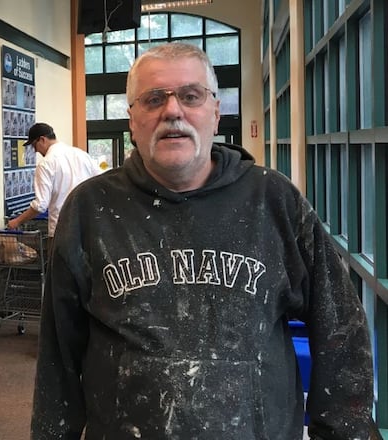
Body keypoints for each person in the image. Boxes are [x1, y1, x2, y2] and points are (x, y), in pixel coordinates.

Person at [30, 42, 381, 440]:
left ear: (215, 113)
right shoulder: (90, 210)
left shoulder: (274, 202)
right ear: (132, 120)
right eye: (153, 99)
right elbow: (58, 355)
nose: (173, 111)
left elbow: (341, 332)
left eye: (191, 96)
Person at [6, 122, 101, 254]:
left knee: (60, 272)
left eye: (34, 146)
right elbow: (99, 182)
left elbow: (40, 205)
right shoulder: (81, 155)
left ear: (42, 139)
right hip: (87, 225)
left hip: (61, 229)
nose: (35, 151)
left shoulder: (46, 164)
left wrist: (16, 221)